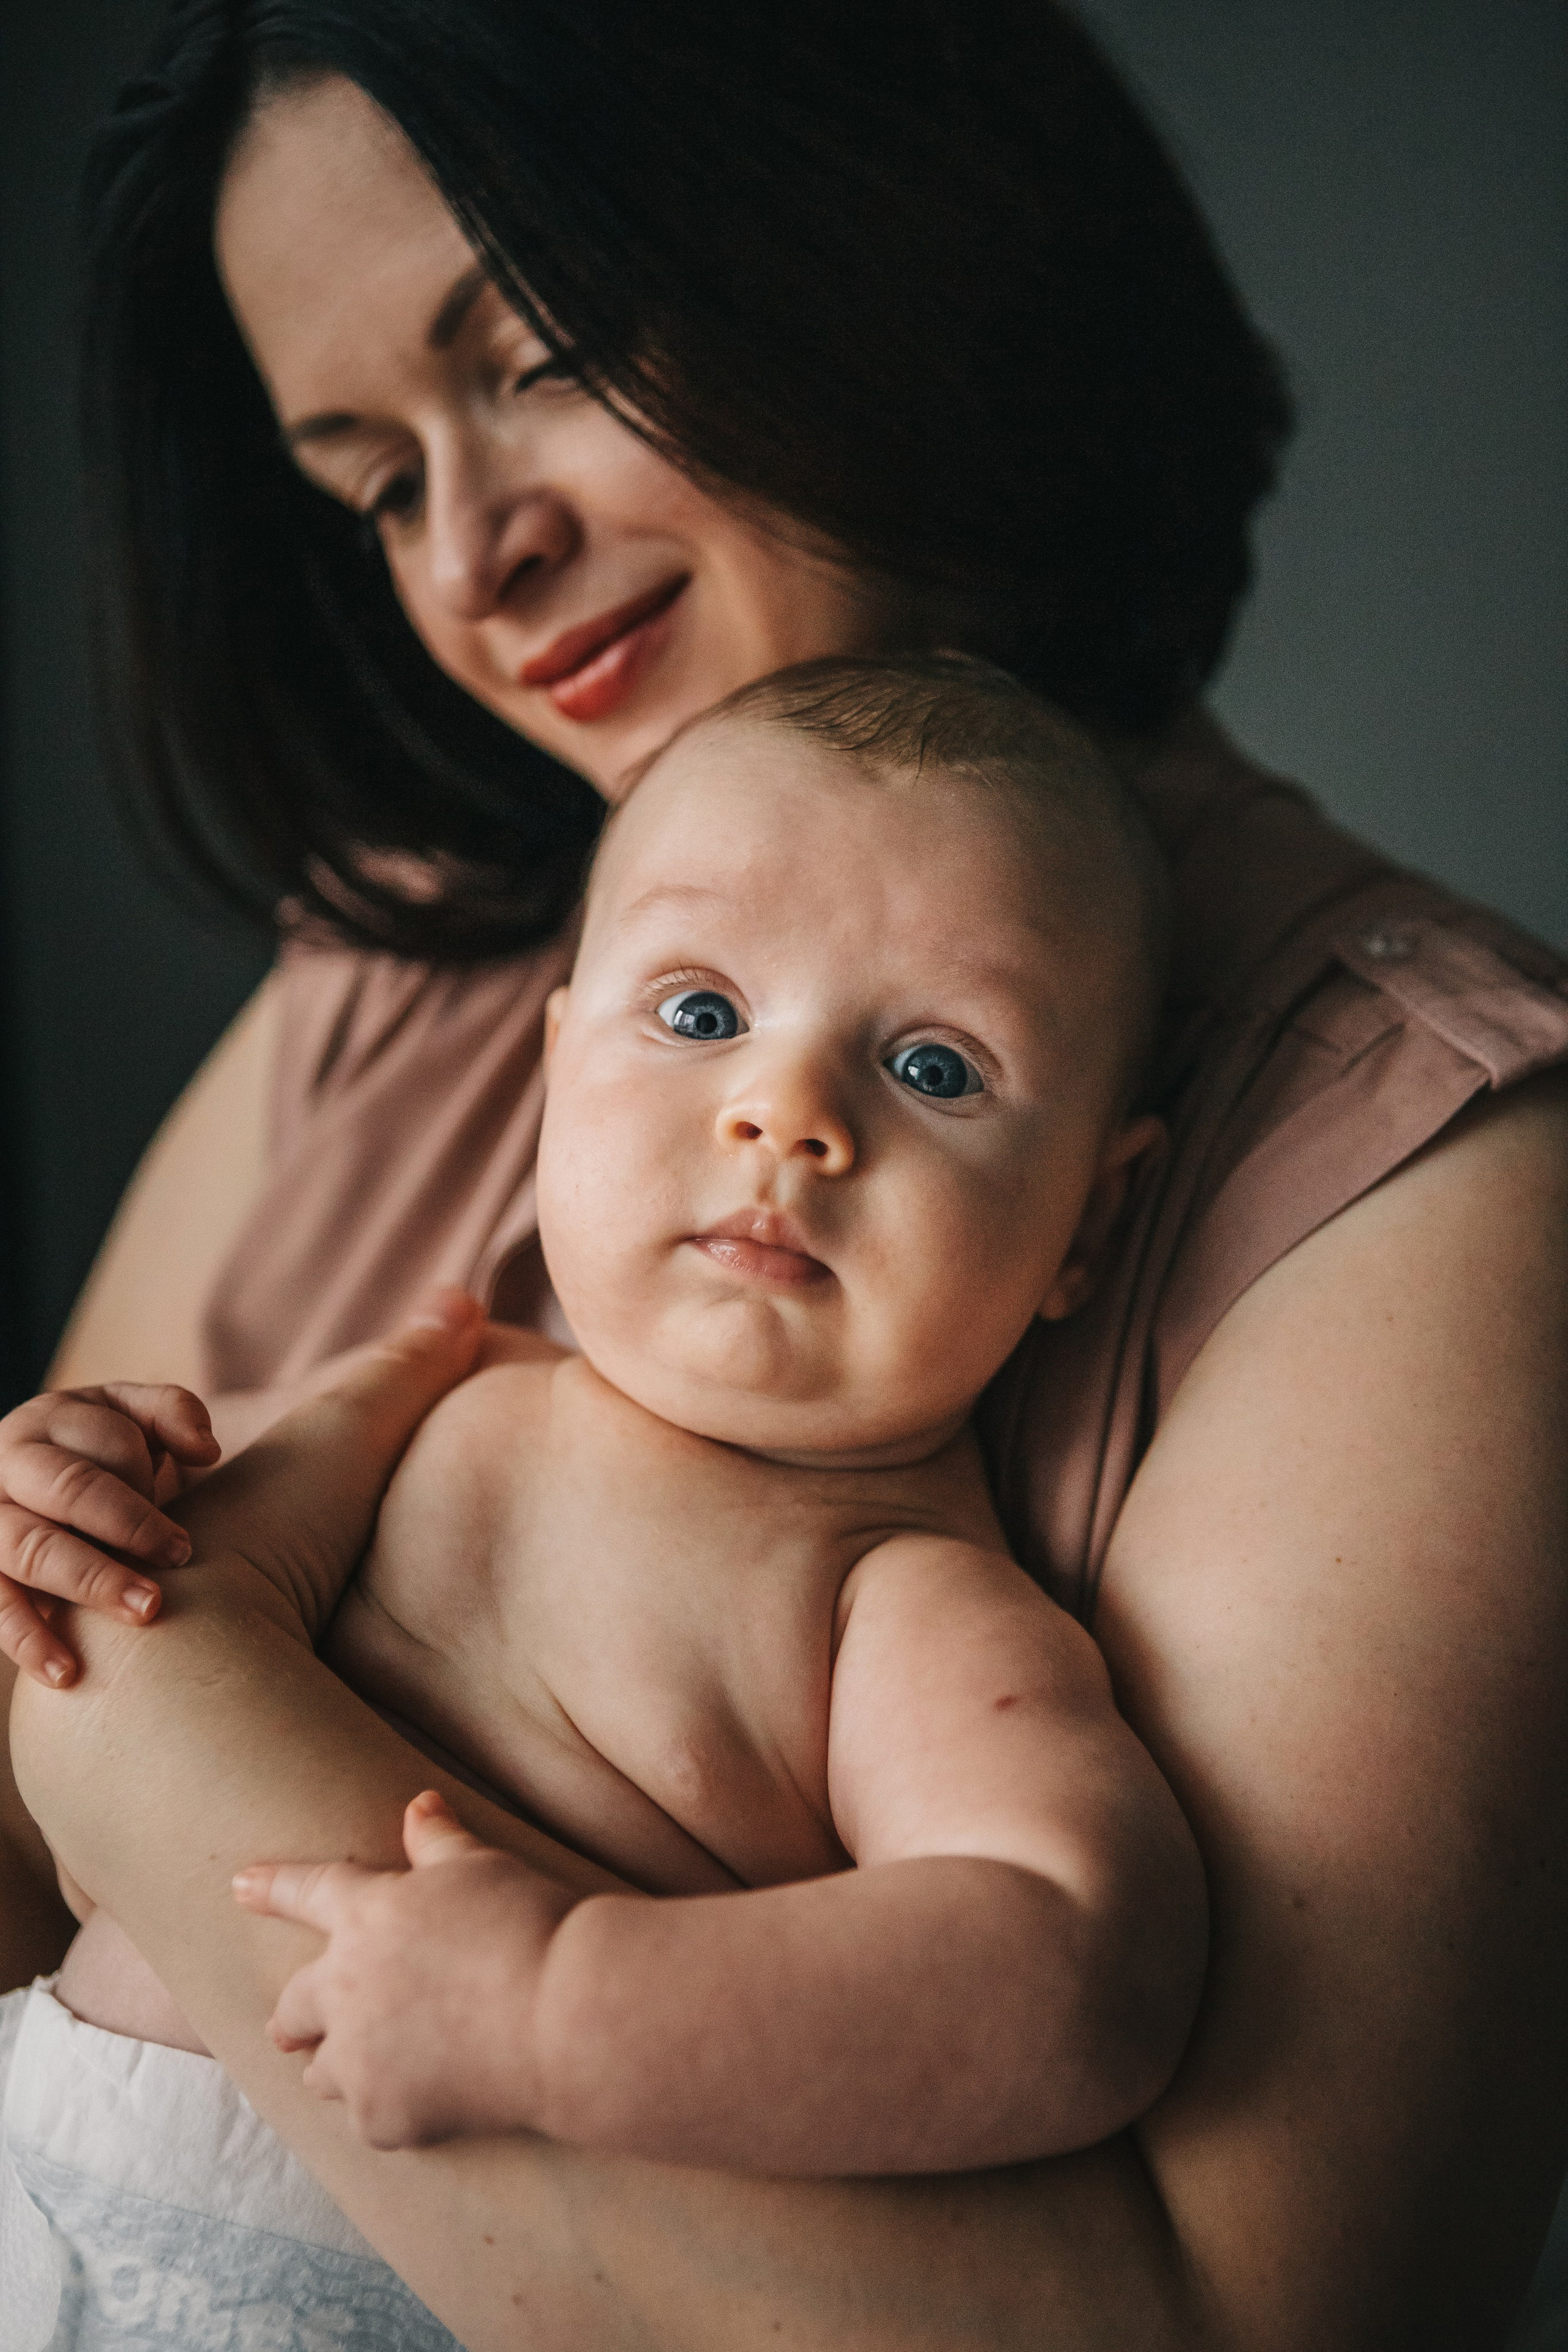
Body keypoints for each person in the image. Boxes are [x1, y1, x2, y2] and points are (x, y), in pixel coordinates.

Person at [4, 4, 1568, 2346]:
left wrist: (155, 1725)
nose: (471, 561)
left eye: (528, 356)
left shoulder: (1434, 1168)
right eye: (371, 482)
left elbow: (1221, 2311)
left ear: (874, 236)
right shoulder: (407, 954)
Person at [33, 657, 1207, 2207]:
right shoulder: (423, 1396)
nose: (784, 1112)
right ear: (554, 1068)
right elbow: (118, 1553)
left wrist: (559, 2002)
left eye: (933, 1066)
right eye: (700, 1010)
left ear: (1089, 1215)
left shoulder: (892, 1593)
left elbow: (1075, 1960)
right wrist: (66, 1478)